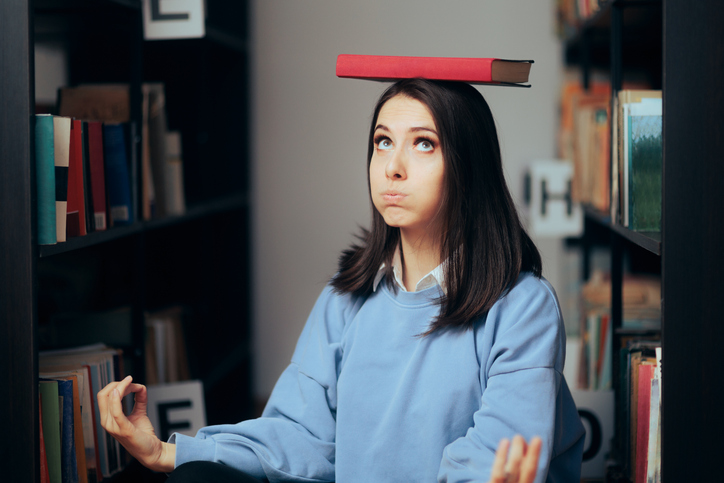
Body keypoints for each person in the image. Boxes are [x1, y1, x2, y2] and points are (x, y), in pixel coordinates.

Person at [98, 79, 585, 482]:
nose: (393, 167)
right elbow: (301, 434)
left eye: (424, 143)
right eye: (382, 141)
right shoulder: (347, 294)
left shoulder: (522, 305)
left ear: (467, 165)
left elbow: (498, 455)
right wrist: (166, 452)